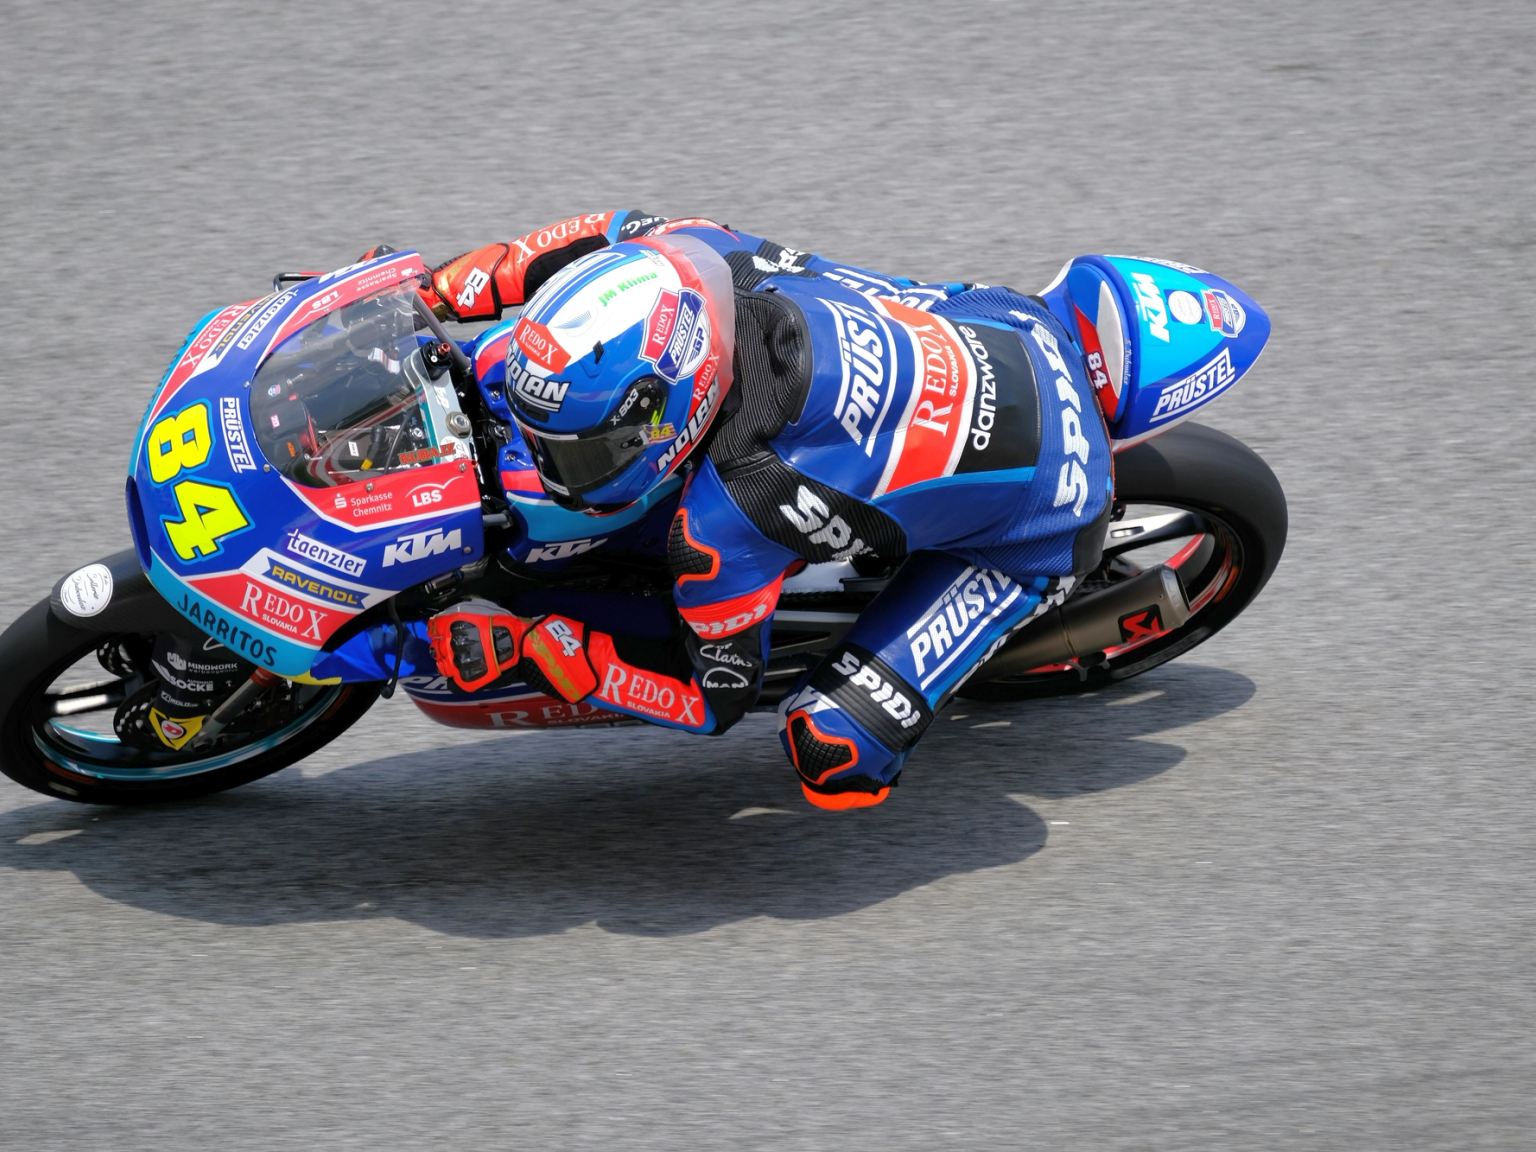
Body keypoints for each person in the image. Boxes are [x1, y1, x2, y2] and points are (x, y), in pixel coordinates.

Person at [418, 211, 1112, 809]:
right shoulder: (694, 258)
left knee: (831, 751)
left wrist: (567, 656)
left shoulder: (734, 508)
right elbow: (603, 233)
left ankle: (978, 611)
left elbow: (712, 698)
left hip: (1049, 506)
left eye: (573, 453)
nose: (543, 462)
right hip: (1006, 321)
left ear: (673, 417)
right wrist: (449, 285)